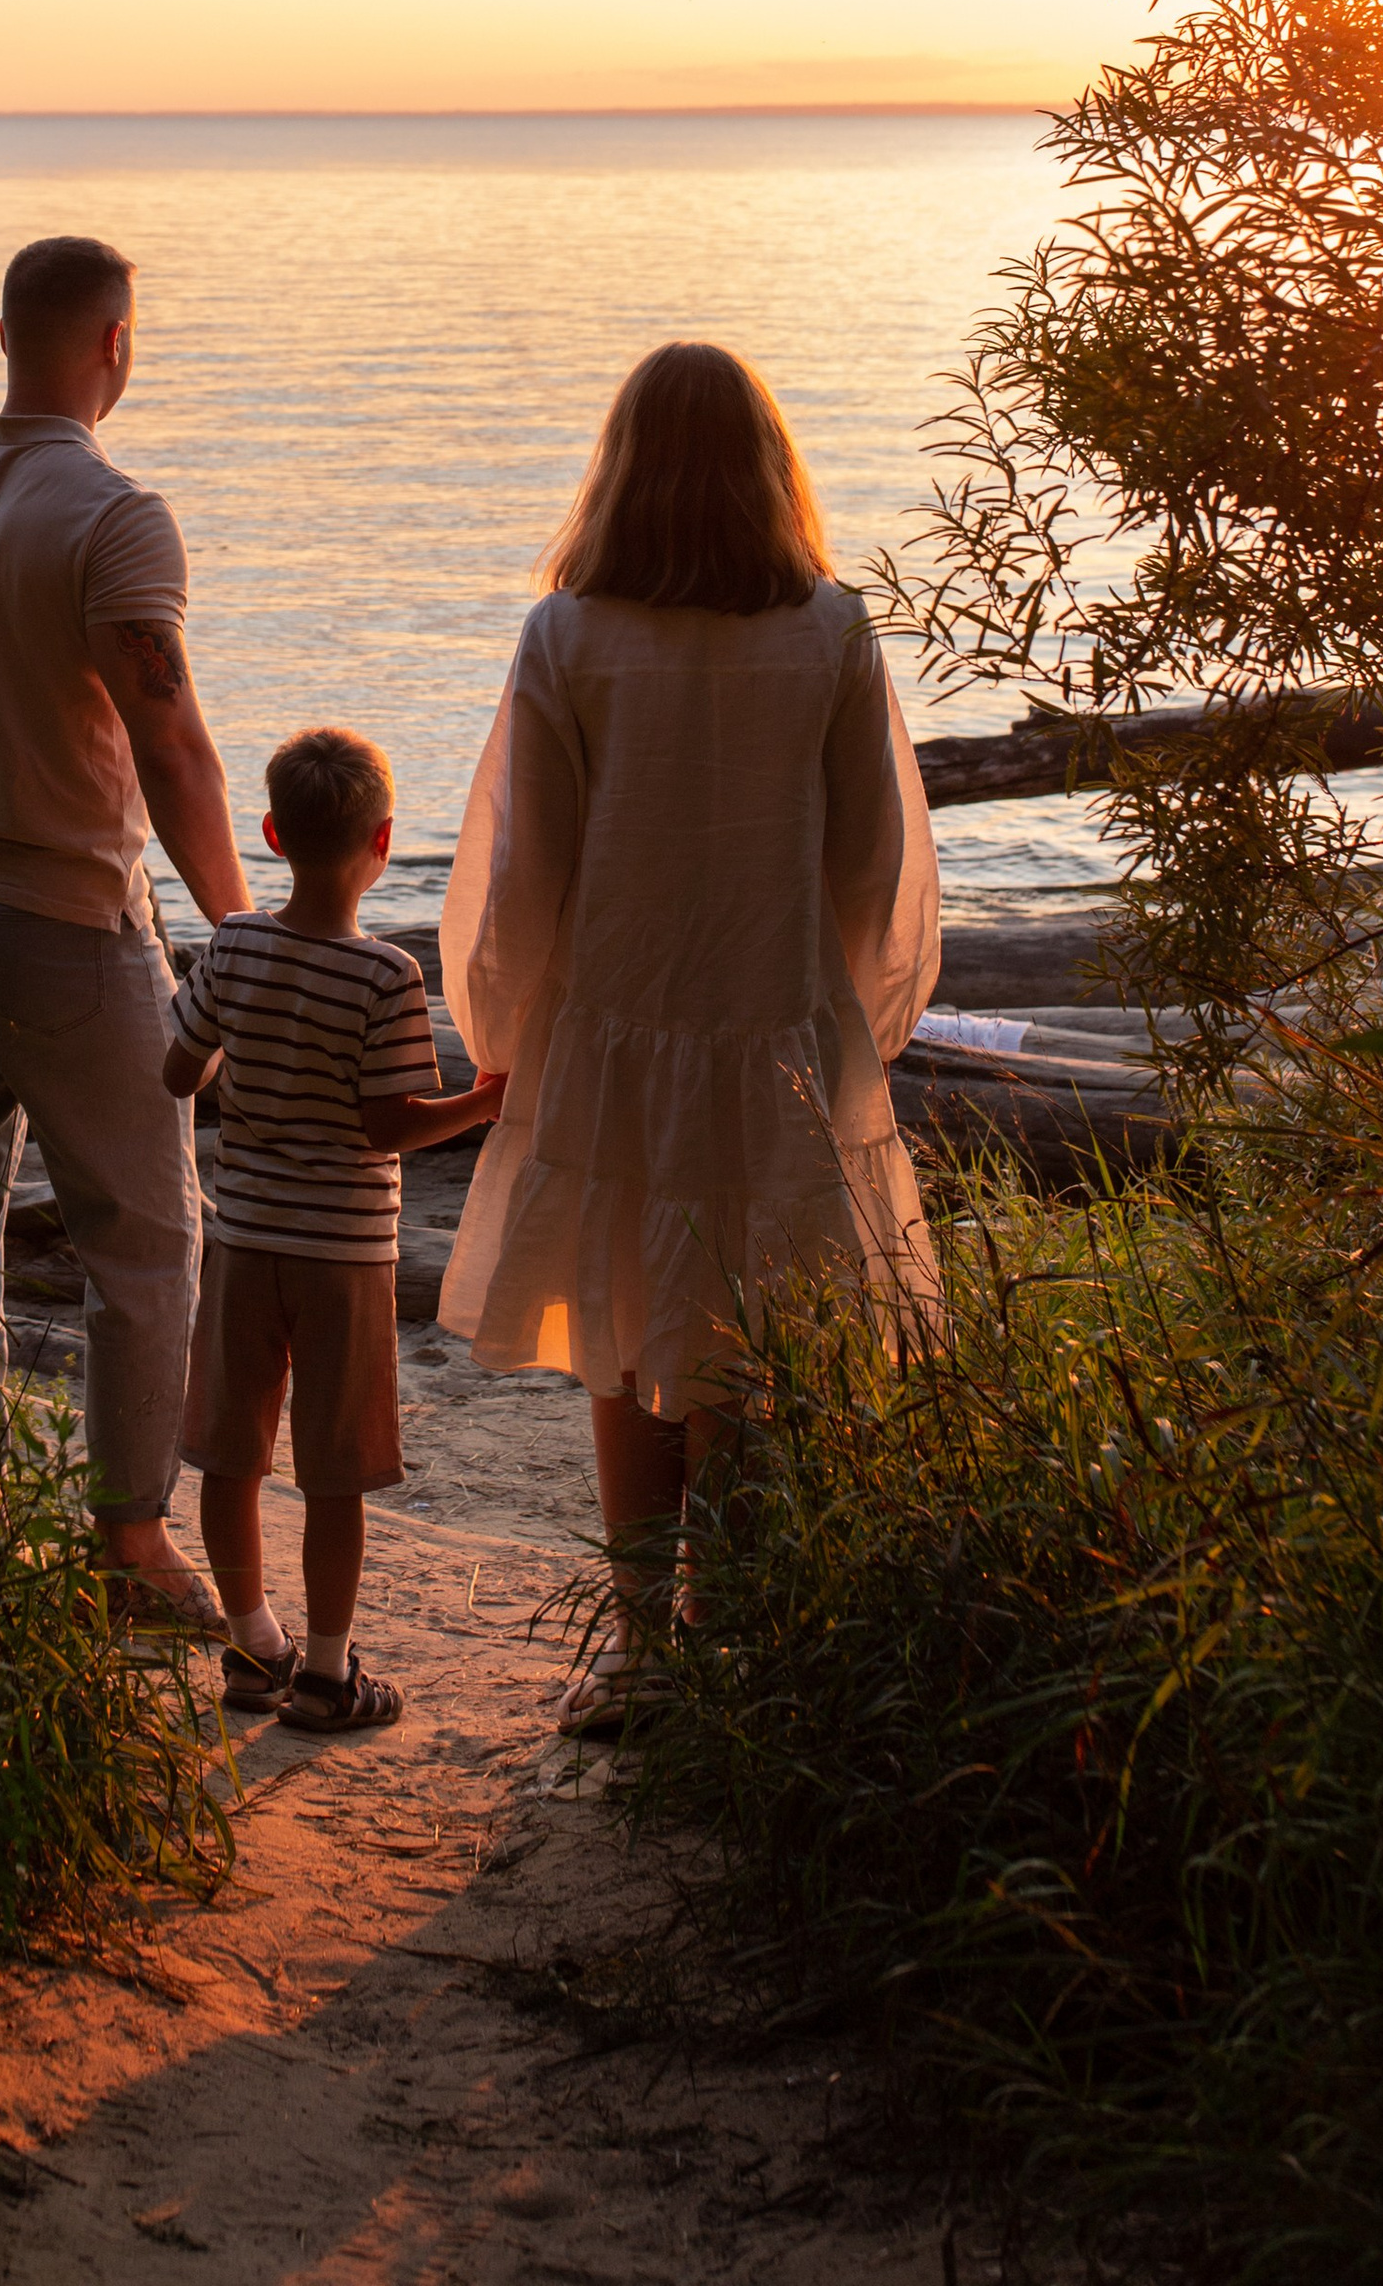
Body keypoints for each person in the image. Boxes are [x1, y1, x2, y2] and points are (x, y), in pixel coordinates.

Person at [437, 340, 940, 1736]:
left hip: (618, 1029)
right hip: (773, 1025)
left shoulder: (568, 634)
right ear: (770, 469)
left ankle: (647, 1656)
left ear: (623, 468)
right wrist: (858, 1017)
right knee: (750, 1340)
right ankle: (729, 1638)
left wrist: (498, 1025)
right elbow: (873, 860)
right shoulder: (831, 627)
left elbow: (522, 864)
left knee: (623, 1329)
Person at [0, 233, 251, 1634]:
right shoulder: (115, 514)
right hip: (65, 926)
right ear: (115, 342)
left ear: (10, 332)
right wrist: (240, 929)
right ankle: (129, 1543)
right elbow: (174, 743)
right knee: (147, 1237)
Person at [164, 726, 505, 1732]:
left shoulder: (232, 944)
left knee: (232, 1455)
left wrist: (246, 1051)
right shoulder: (388, 978)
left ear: (269, 832)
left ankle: (249, 1645)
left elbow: (178, 1072)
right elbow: (387, 1126)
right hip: (344, 1259)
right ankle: (322, 1673)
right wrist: (484, 1106)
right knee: (335, 1471)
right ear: (383, 842)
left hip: (243, 1242)